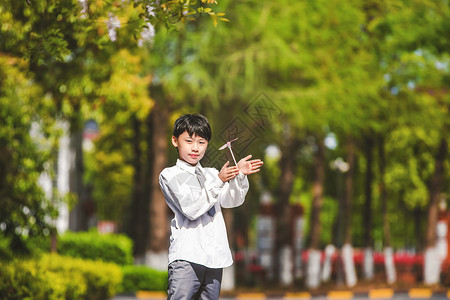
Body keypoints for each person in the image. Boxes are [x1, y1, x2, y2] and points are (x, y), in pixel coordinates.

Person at [159, 113, 264, 300]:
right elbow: (191, 208)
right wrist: (219, 181)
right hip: (187, 257)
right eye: (189, 141)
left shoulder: (211, 174)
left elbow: (232, 200)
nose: (195, 148)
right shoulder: (170, 175)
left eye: (201, 142)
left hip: (214, 259)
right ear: (175, 141)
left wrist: (239, 175)